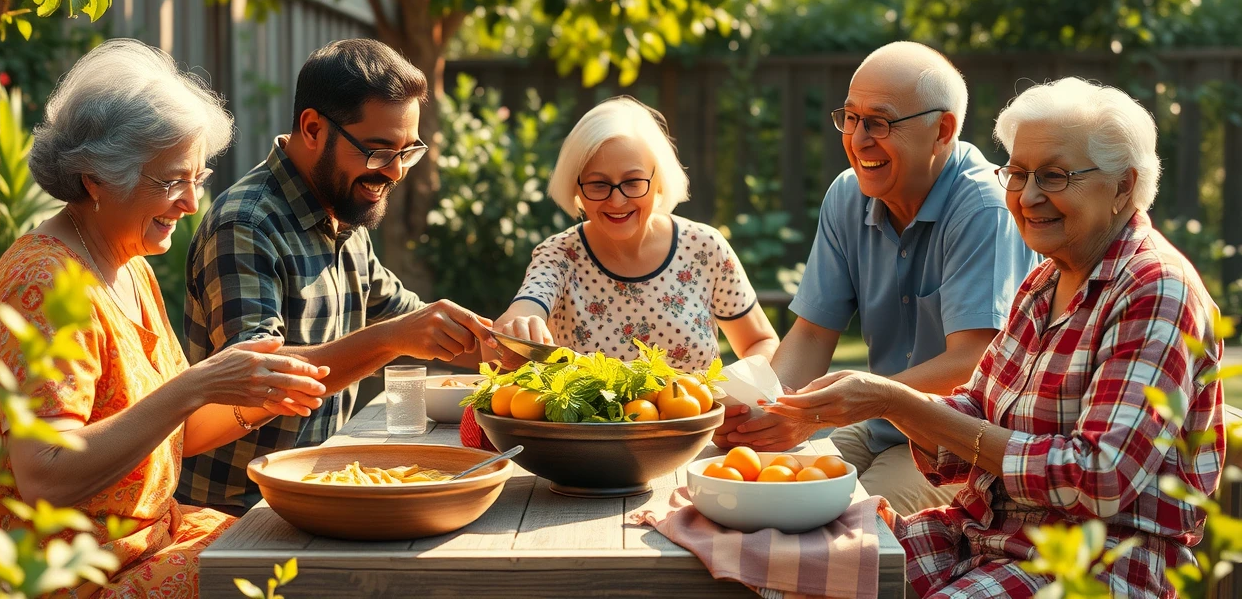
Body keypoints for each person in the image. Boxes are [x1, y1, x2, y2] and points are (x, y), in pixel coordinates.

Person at [763, 78, 1223, 598]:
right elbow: (976, 409)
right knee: (786, 566)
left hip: (1093, 564)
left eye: (1053, 176)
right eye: (1019, 173)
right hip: (986, 536)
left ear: (1122, 186)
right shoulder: (1046, 278)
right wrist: (885, 403)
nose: (1027, 197)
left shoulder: (1155, 289)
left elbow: (1098, 479)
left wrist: (889, 398)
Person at [0, 40, 331, 596]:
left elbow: (170, 431)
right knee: (300, 578)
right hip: (68, 577)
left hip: (147, 544)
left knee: (308, 554)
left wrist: (255, 399)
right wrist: (196, 384)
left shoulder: (125, 263)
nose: (189, 202)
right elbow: (45, 475)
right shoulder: (45, 284)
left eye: (197, 179)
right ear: (95, 178)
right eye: (170, 181)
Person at [715, 41, 1039, 515]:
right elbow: (810, 333)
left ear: (941, 130)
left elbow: (974, 360)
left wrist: (859, 402)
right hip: (880, 425)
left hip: (960, 442)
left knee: (856, 525)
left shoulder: (984, 206)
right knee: (766, 494)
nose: (858, 139)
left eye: (879, 123)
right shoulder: (848, 194)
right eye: (849, 118)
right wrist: (770, 408)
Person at [178, 39, 496, 514]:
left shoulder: (343, 212)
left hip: (320, 489)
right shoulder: (245, 226)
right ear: (312, 128)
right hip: (238, 512)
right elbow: (257, 377)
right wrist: (393, 339)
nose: (395, 172)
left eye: (407, 152)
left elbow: (423, 326)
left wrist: (531, 358)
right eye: (377, 151)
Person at [492, 95, 778, 372]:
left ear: (658, 180)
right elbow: (523, 312)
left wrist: (732, 391)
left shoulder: (704, 247)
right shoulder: (558, 255)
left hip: (697, 421)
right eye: (598, 184)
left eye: (632, 181)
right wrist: (518, 327)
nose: (617, 201)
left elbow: (760, 341)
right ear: (576, 187)